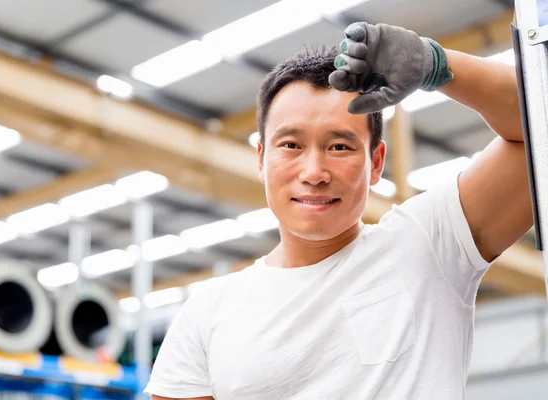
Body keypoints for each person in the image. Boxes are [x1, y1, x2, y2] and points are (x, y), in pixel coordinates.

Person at [145, 21, 532, 400]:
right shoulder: (208, 312)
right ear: (262, 159)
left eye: (340, 147)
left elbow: (540, 125)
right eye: (292, 145)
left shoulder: (430, 245)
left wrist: (437, 64)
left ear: (376, 162)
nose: (314, 173)